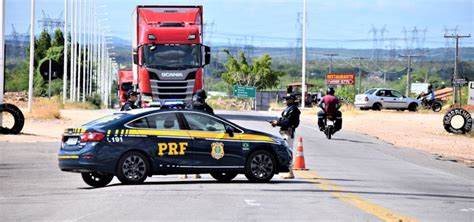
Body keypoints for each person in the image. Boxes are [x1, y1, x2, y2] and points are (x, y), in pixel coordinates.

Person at [180, 89, 214, 179]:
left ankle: (184, 174)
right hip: (201, 134)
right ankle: (196, 173)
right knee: (199, 153)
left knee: (186, 152)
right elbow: (213, 120)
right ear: (204, 98)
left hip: (188, 132)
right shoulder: (206, 108)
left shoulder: (189, 105)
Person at [270, 94, 301, 179]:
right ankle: (286, 171)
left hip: (288, 132)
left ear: (292, 100)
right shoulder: (289, 108)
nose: (285, 100)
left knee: (288, 152)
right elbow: (284, 119)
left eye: (287, 99)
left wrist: (278, 123)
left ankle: (290, 172)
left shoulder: (293, 109)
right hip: (284, 132)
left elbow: (288, 122)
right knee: (284, 151)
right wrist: (276, 122)